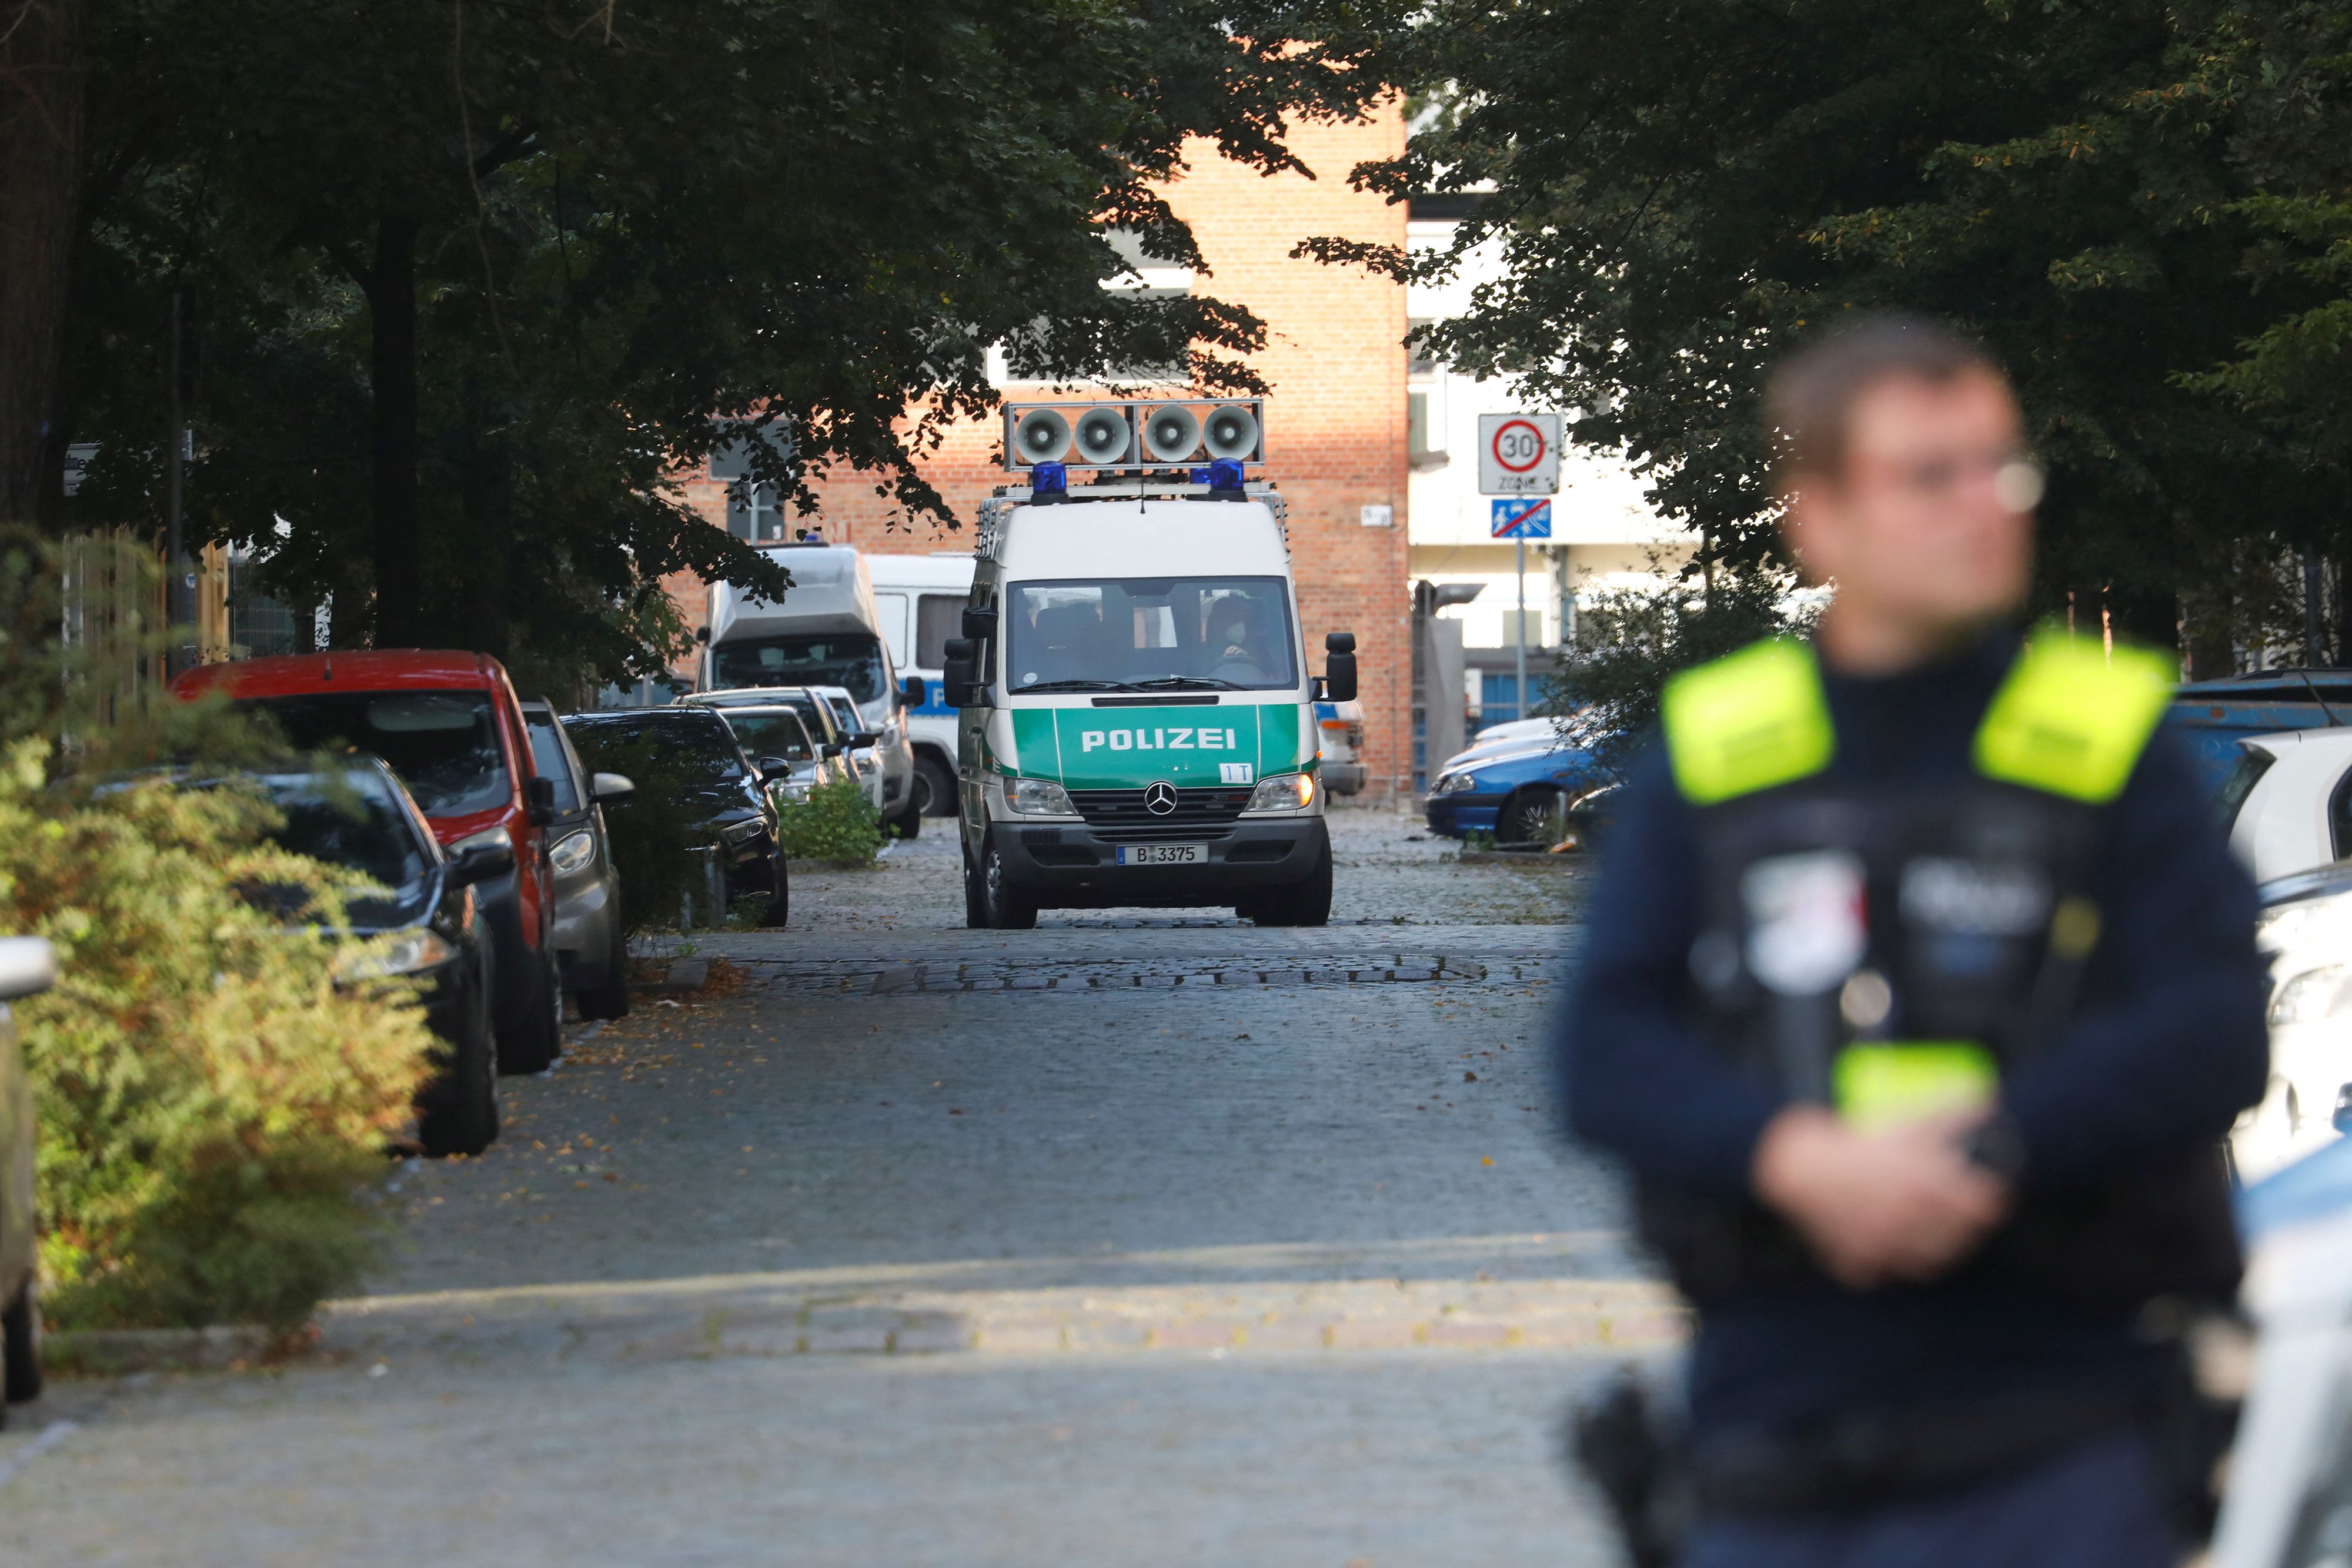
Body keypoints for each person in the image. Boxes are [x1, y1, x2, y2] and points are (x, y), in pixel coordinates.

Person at [1559, 313, 2270, 1567]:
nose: (1982, 507)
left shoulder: (2105, 737)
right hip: (1778, 1426)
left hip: (2063, 1426)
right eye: (1929, 475)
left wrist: (1995, 1148)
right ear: (1818, 516)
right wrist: (1795, 1160)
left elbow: (2209, 1026)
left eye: (2001, 468)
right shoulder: (1719, 747)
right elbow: (1603, 1046)